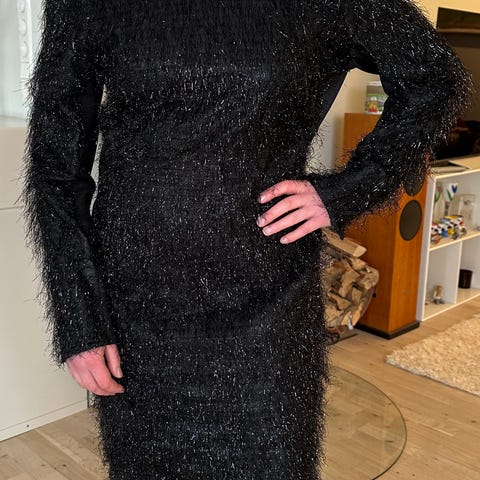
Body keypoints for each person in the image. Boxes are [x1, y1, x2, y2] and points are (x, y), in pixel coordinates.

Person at [20, 0, 471, 478]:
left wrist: (348, 190)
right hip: (136, 313)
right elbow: (56, 170)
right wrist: (79, 322)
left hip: (267, 310)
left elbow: (435, 78)